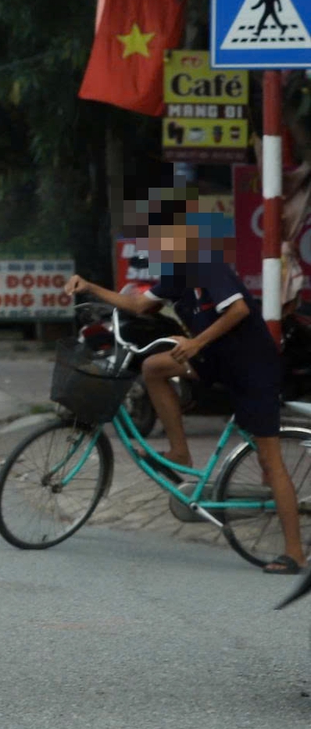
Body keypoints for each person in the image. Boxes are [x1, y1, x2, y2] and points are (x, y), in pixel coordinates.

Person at [66, 210, 304, 574]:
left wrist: (195, 343)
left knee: (270, 460)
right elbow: (139, 305)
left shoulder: (205, 262)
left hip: (253, 368)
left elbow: (238, 309)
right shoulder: (177, 274)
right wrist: (89, 287)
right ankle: (181, 451)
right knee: (153, 367)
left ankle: (294, 553)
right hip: (216, 360)